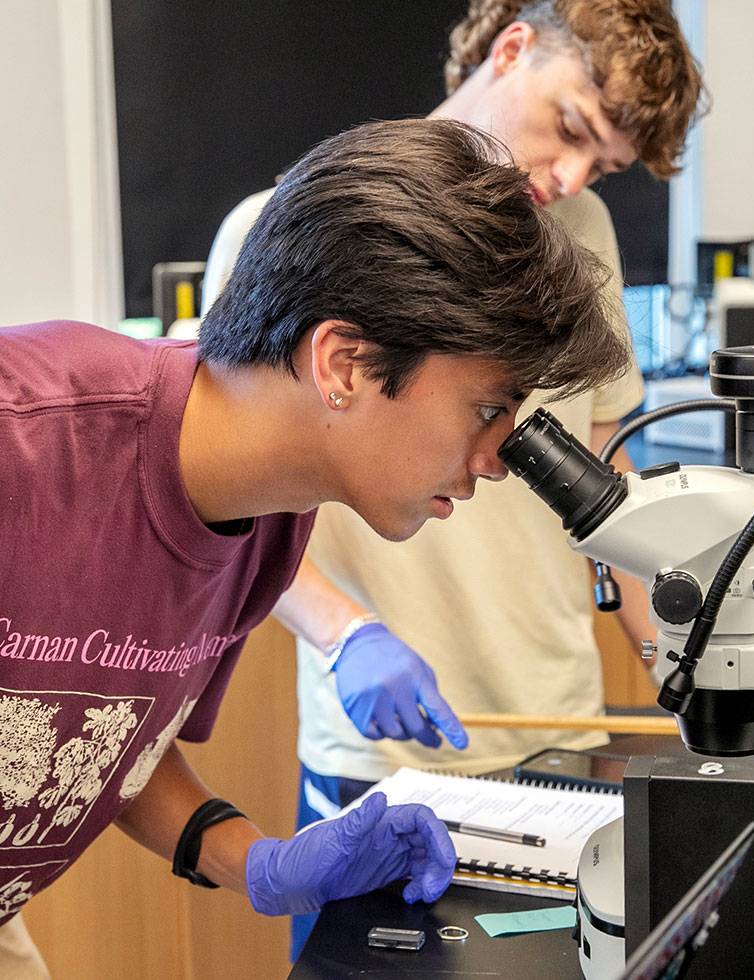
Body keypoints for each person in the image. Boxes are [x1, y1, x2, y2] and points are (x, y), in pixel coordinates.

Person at [0, 118, 629, 977]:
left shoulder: (269, 516)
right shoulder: (26, 443)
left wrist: (254, 861)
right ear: (343, 363)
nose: (498, 459)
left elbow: (96, 730)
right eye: (488, 408)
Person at [201, 0, 704, 959]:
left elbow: (604, 479)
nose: (569, 177)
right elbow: (230, 505)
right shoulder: (296, 227)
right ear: (512, 50)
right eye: (571, 133)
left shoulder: (583, 231)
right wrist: (347, 637)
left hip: (556, 724)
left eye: (602, 165)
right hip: (386, 761)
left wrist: (669, 650)